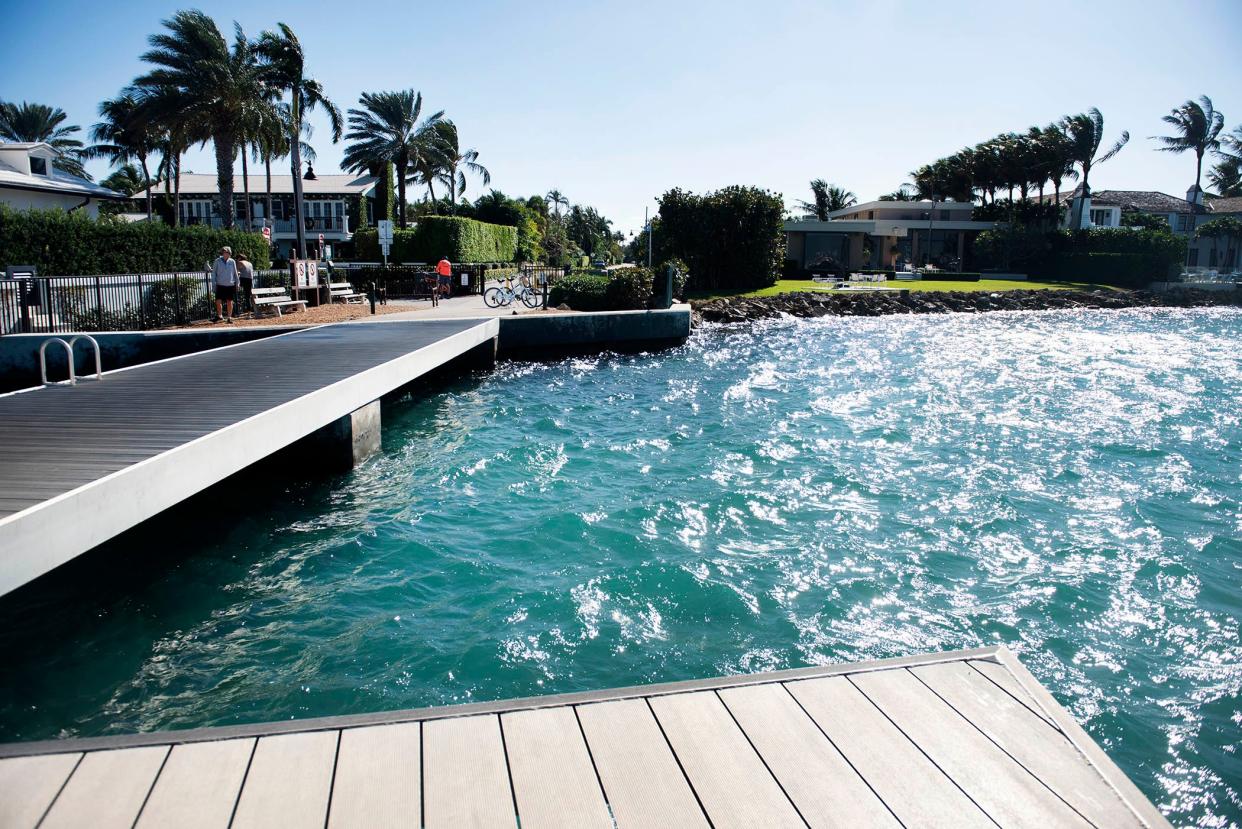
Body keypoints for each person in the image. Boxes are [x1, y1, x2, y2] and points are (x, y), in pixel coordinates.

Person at [212, 246, 239, 323]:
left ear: (229, 253)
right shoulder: (217, 261)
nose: (226, 254)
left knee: (229, 301)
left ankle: (229, 317)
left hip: (230, 284)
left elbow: (235, 273)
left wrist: (237, 282)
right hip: (220, 284)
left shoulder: (232, 261)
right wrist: (213, 283)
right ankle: (220, 316)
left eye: (227, 252)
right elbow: (214, 273)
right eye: (224, 252)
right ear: (222, 253)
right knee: (218, 301)